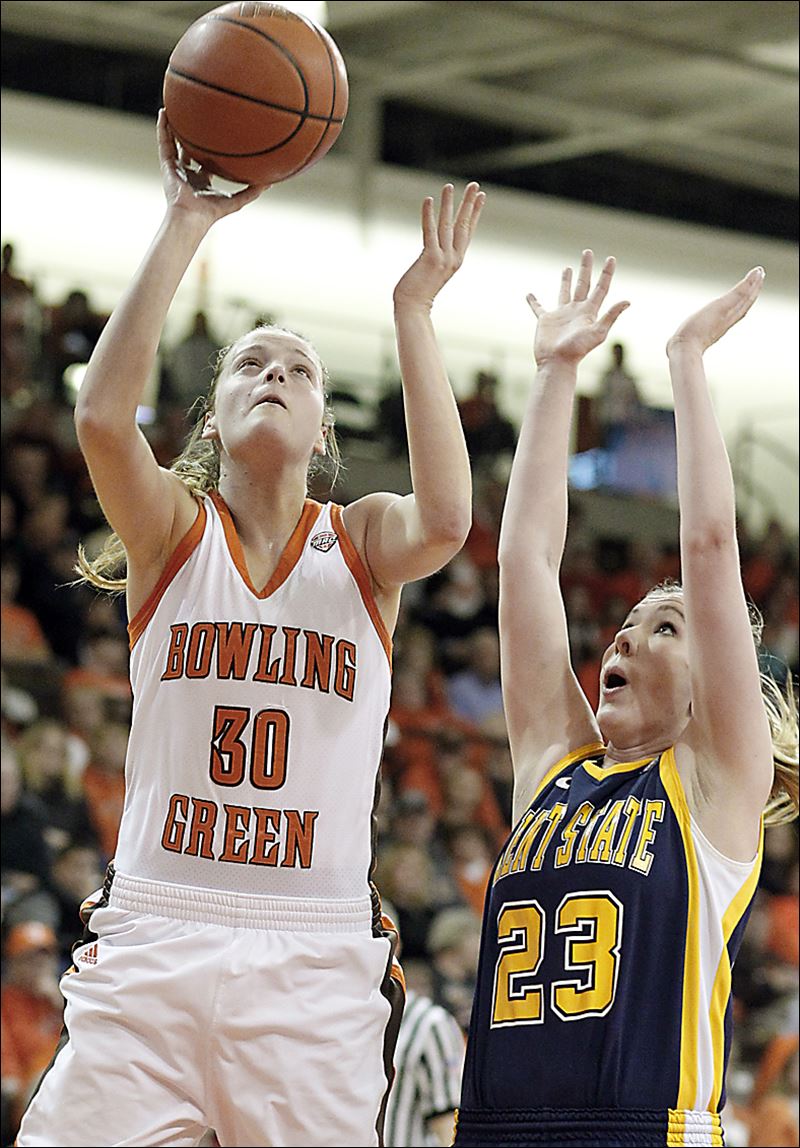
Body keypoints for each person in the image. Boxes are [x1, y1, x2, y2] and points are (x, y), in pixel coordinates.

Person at [15, 109, 485, 1148]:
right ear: (213, 417)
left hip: (311, 958)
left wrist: (413, 311)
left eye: (300, 370)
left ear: (322, 433)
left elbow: (450, 520)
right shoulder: (172, 533)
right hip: (157, 930)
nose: (275, 374)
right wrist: (185, 221)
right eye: (250, 364)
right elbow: (99, 419)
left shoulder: (359, 541)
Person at [453, 254, 799, 1147]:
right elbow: (525, 561)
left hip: (643, 1130)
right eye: (626, 623)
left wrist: (686, 362)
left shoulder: (715, 784)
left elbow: (710, 544)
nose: (624, 637)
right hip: (496, 1130)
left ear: (712, 689)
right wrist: (554, 371)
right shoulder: (553, 769)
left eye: (667, 627)